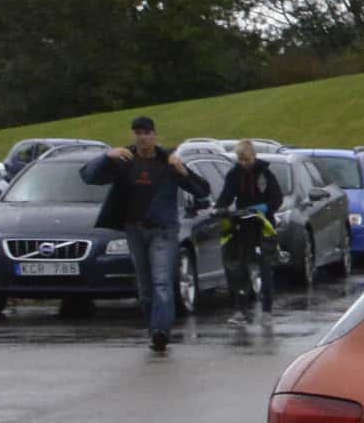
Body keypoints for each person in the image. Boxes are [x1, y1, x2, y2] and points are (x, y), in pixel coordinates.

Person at [84, 116, 207, 352]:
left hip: (163, 230)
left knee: (161, 281)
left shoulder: (167, 161)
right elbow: (89, 177)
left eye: (147, 133)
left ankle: (161, 331)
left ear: (155, 135)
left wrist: (183, 171)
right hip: (134, 229)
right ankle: (154, 329)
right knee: (145, 286)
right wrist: (105, 157)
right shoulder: (124, 160)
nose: (142, 137)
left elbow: (202, 189)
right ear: (133, 135)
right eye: (138, 133)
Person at [214, 145, 288, 310]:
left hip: (263, 225)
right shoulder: (234, 174)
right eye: (240, 159)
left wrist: (264, 208)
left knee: (265, 266)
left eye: (246, 159)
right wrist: (220, 208)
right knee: (240, 267)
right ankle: (241, 307)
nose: (243, 163)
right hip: (243, 224)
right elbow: (226, 195)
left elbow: (276, 198)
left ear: (253, 156)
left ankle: (267, 306)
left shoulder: (265, 174)